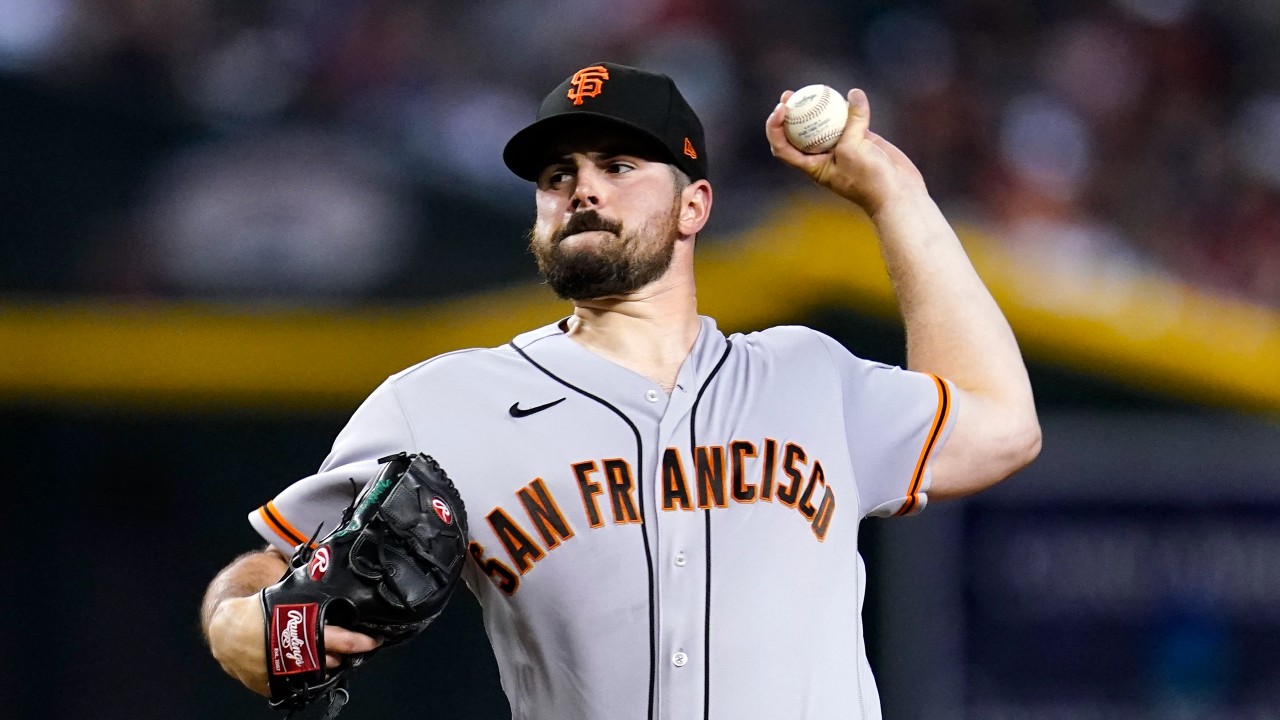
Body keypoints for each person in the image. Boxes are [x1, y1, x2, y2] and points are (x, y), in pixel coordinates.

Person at [201, 61, 1040, 719]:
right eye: (557, 174)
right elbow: (260, 573)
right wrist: (237, 624)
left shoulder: (808, 376)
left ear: (693, 205)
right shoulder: (442, 404)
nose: (582, 188)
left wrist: (896, 195)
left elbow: (1001, 424)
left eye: (618, 163)